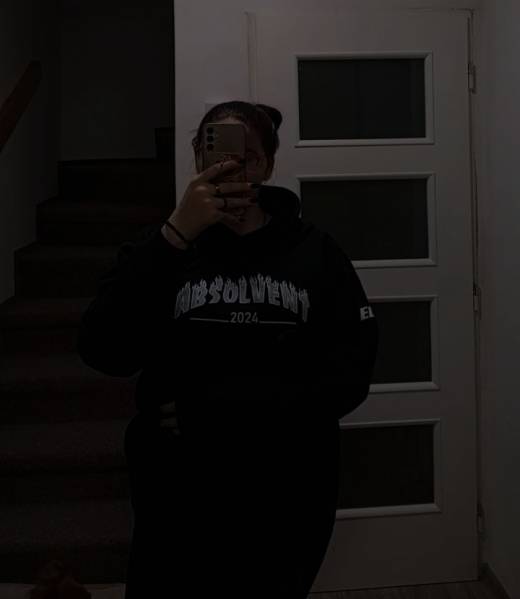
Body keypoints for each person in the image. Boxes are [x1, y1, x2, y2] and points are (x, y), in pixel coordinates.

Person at [77, 101, 379, 598]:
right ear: (198, 158)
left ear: (269, 165)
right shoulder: (162, 248)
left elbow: (350, 372)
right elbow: (103, 349)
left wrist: (221, 406)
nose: (230, 169)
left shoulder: (315, 252)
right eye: (215, 154)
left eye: (248, 158)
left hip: (286, 488)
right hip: (179, 493)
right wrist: (174, 236)